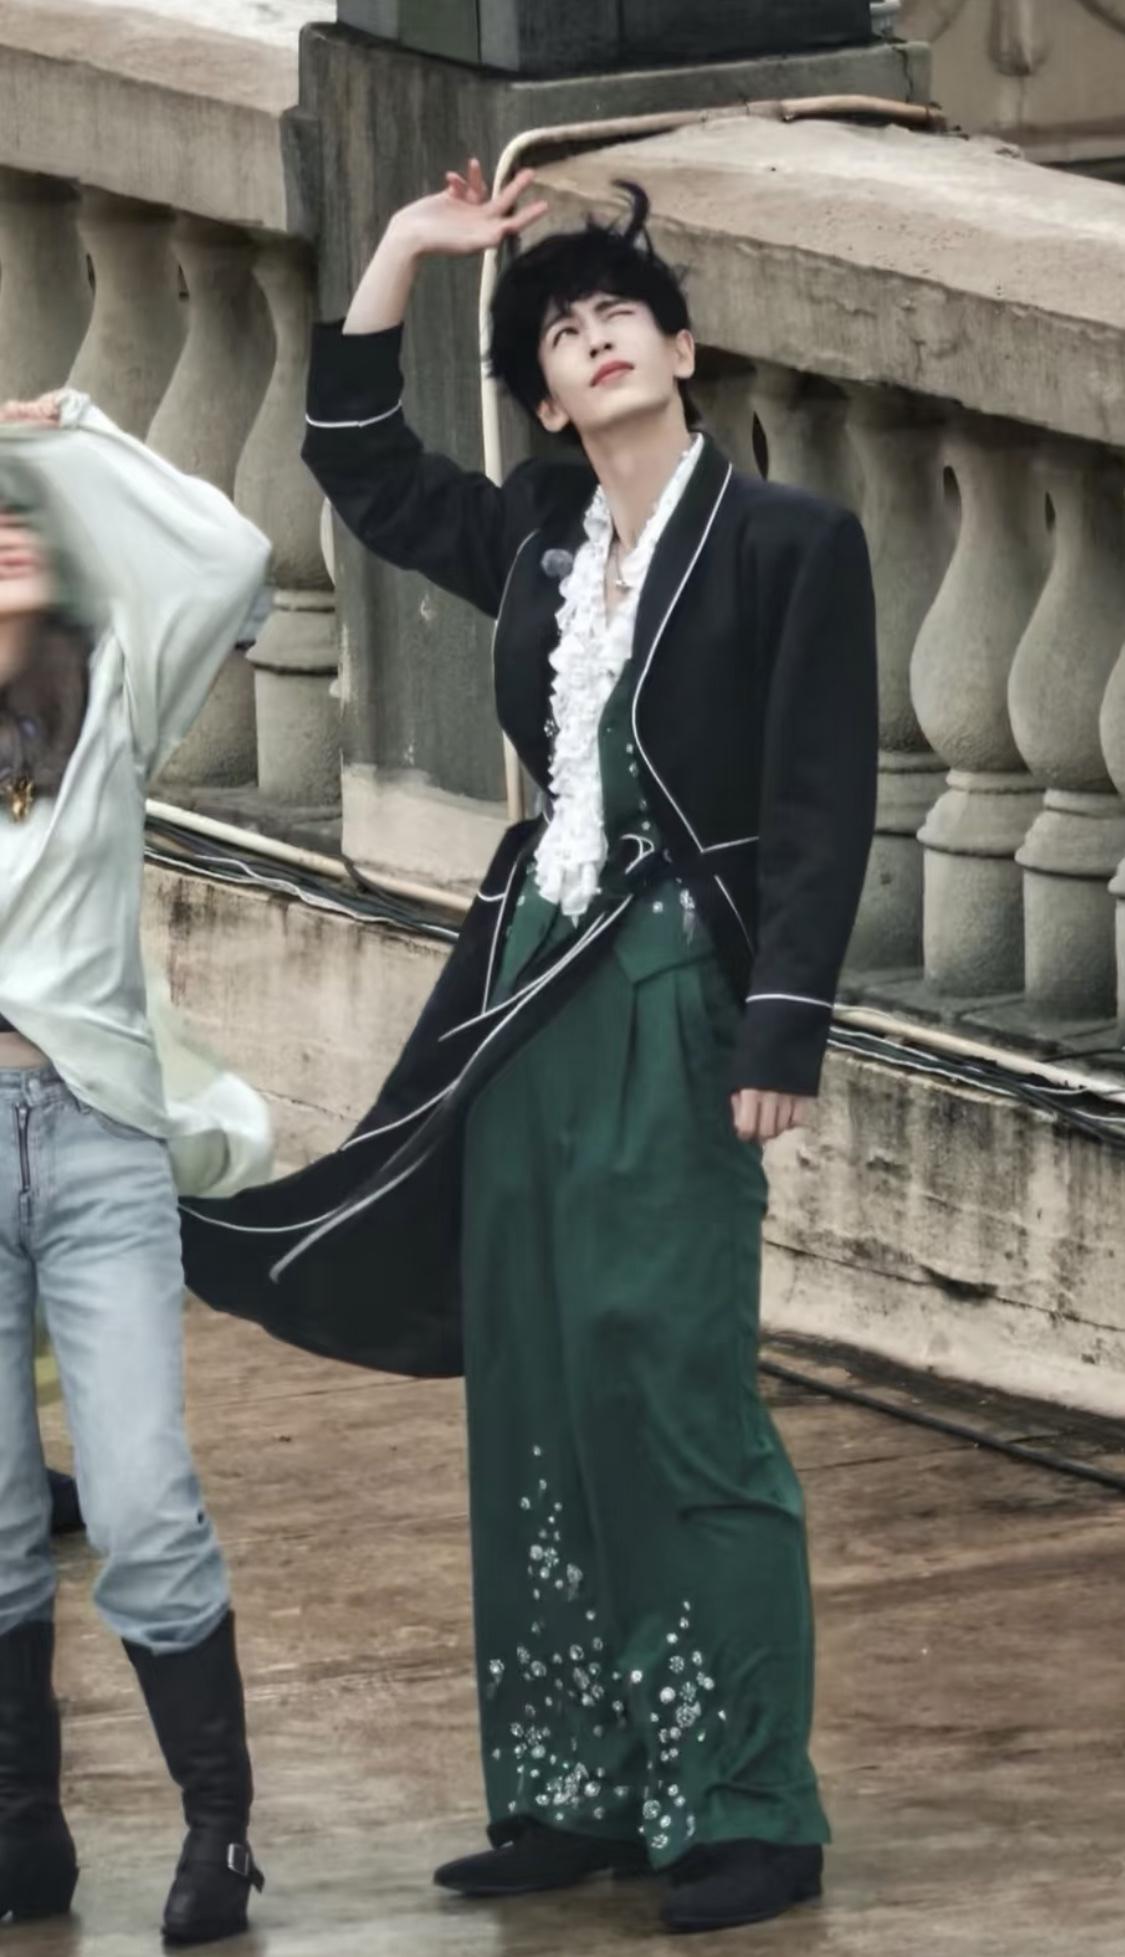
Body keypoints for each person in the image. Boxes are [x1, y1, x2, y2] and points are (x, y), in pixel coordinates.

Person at [182, 163, 877, 1935]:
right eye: (563, 334)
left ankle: (746, 1802)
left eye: (618, 313)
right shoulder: (539, 541)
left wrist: (780, 1025)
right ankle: (578, 1788)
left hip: (676, 990)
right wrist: (402, 250)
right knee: (540, 1382)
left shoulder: (790, 540)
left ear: (681, 350)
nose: (595, 338)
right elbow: (356, 461)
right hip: (529, 990)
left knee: (670, 1378)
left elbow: (818, 803)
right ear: (549, 399)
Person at [0, 393, 273, 1945]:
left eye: (14, 510)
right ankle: (24, 1833)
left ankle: (219, 1832)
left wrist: (83, 428)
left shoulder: (109, 695)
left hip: (93, 1142)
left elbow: (230, 556)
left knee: (141, 1495)